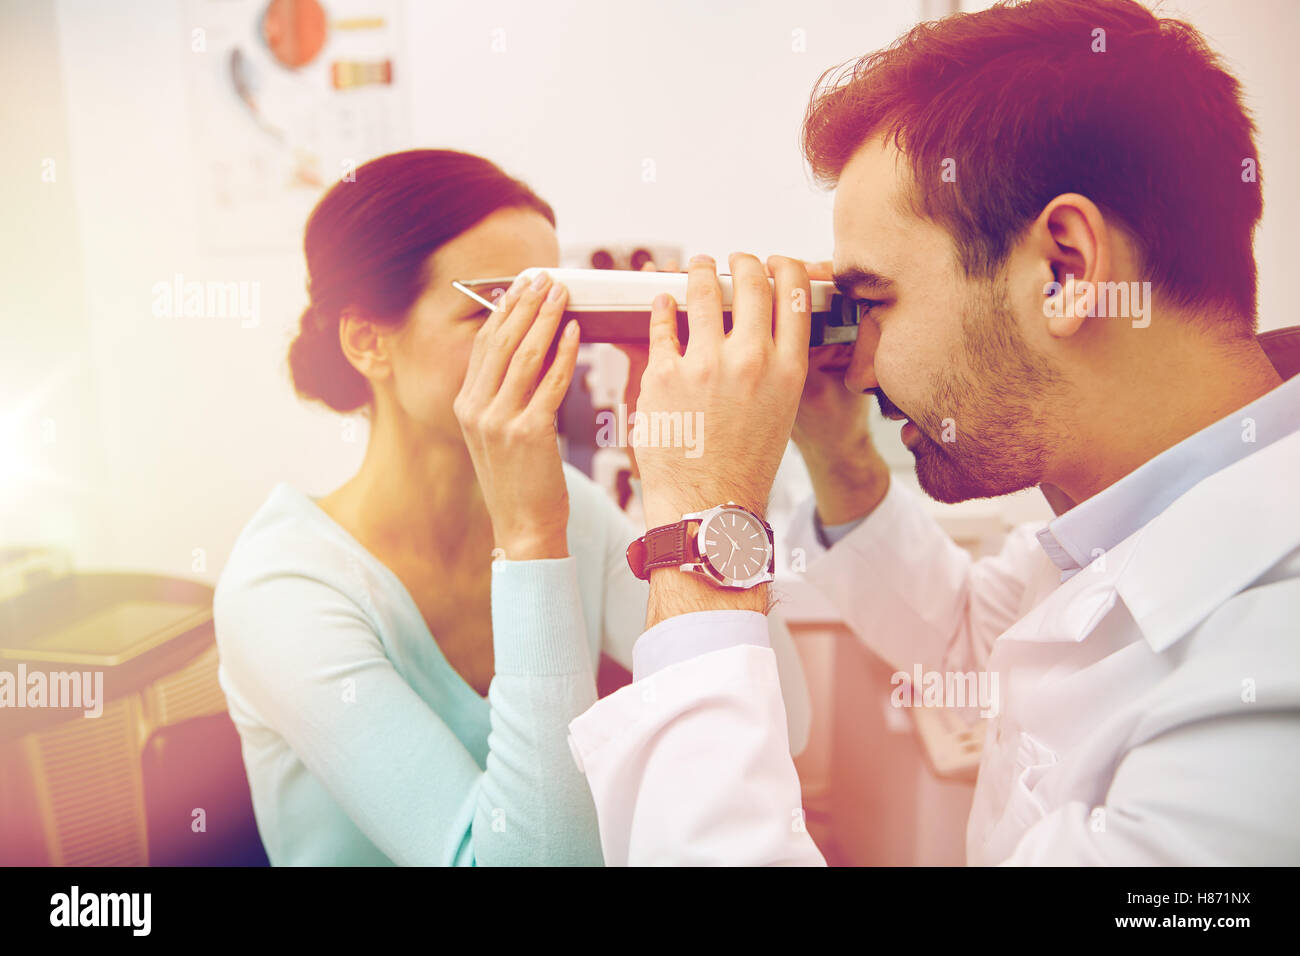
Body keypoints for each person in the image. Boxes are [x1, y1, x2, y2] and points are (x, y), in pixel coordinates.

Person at [566, 0, 1300, 865]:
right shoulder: (1128, 514)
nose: (861, 365)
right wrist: (836, 450)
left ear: (1064, 269)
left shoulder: (1267, 680)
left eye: (875, 302)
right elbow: (968, 638)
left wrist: (700, 533)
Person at [212, 149, 809, 866]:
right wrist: (530, 542)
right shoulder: (282, 590)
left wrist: (700, 482)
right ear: (369, 340)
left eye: (559, 309)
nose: (549, 344)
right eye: (496, 311)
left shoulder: (575, 510)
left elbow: (785, 722)